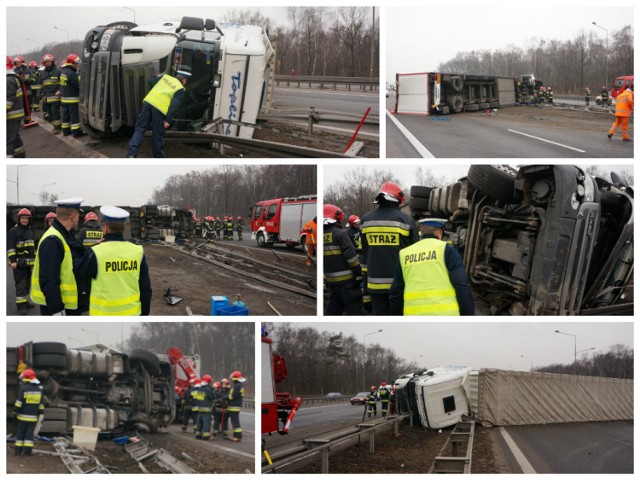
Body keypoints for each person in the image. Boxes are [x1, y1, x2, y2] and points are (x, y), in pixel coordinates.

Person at [74, 206, 152, 316]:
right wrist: (144, 315)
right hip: (132, 314)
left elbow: (77, 274)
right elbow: (145, 288)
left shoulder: (95, 252)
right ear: (123, 228)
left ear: (105, 228)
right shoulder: (137, 251)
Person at [389, 218, 474, 316]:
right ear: (438, 233)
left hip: (413, 320)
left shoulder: (404, 253)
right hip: (445, 319)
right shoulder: (447, 249)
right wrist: (467, 317)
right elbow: (461, 285)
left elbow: (396, 293)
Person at [361, 181, 419, 315]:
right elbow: (415, 254)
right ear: (398, 200)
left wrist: (365, 293)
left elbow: (364, 253)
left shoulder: (365, 220)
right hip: (399, 285)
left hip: (374, 285)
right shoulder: (406, 220)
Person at [30, 197, 85, 316]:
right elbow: (48, 279)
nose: (78, 219)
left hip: (68, 304)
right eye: (78, 216)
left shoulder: (64, 234)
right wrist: (57, 310)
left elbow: (73, 255)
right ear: (73, 217)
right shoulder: (53, 240)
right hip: (58, 307)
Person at [127, 67, 191, 158]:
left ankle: (131, 154)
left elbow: (150, 81)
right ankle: (158, 158)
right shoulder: (180, 89)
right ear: (184, 80)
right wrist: (168, 120)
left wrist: (156, 77)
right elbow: (174, 106)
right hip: (160, 110)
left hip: (148, 103)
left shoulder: (165, 78)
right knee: (158, 135)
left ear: (177, 75)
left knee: (140, 129)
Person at [323, 204, 363, 315]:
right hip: (347, 282)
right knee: (354, 309)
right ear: (337, 217)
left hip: (331, 281)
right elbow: (351, 258)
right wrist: (358, 273)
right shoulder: (340, 234)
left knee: (333, 309)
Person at [7, 208, 35, 315]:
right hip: (19, 264)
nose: (25, 220)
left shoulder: (29, 231)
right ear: (19, 219)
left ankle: (24, 302)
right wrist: (13, 261)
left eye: (26, 219)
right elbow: (10, 248)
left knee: (27, 284)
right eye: (23, 218)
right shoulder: (13, 231)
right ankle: (20, 306)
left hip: (28, 265)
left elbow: (32, 248)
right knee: (21, 285)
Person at [13, 369, 44, 456]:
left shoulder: (23, 388)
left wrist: (14, 412)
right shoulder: (39, 390)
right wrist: (40, 414)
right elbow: (41, 406)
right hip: (33, 418)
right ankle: (27, 451)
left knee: (20, 433)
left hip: (22, 417)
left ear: (26, 379)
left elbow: (19, 403)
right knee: (29, 435)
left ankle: (18, 451)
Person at [60, 54, 86, 137]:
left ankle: (66, 131)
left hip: (64, 98)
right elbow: (77, 85)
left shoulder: (64, 71)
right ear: (72, 63)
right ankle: (76, 132)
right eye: (76, 63)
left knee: (65, 115)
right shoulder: (71, 73)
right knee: (74, 115)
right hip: (72, 98)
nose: (77, 65)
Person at [7, 56, 26, 158]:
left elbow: (9, 100)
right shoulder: (13, 76)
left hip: (12, 115)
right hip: (15, 114)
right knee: (14, 137)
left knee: (9, 140)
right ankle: (20, 155)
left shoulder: (9, 79)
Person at [39, 54, 62, 134]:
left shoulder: (58, 71)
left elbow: (63, 83)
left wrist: (60, 90)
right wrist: (40, 94)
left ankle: (57, 128)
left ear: (52, 62)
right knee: (50, 114)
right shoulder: (42, 73)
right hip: (46, 97)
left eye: (49, 61)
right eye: (46, 62)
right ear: (44, 63)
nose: (47, 63)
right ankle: (55, 125)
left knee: (55, 112)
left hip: (55, 96)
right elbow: (41, 84)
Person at [193, 375, 215, 440]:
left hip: (200, 408)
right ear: (209, 381)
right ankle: (206, 436)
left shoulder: (200, 388)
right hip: (207, 409)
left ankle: (198, 434)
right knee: (206, 422)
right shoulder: (208, 389)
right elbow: (212, 398)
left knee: (199, 422)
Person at [227, 371, 245, 442]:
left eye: (233, 378)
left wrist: (226, 397)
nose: (232, 379)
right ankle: (236, 436)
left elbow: (232, 396)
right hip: (235, 406)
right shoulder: (239, 385)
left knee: (235, 422)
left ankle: (237, 436)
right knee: (235, 422)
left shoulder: (237, 386)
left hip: (234, 406)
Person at [13, 56, 31, 123]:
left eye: (19, 62)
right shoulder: (13, 72)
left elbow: (33, 79)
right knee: (20, 107)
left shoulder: (28, 70)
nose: (18, 64)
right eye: (16, 63)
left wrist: (25, 80)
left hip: (27, 92)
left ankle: (27, 120)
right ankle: (19, 121)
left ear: (22, 62)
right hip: (18, 92)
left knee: (28, 106)